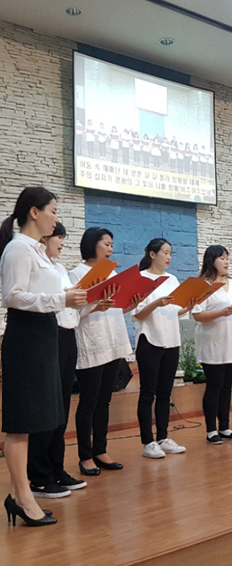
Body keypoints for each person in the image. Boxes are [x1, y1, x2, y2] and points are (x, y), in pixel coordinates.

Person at [0, 187, 86, 526]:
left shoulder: (37, 251)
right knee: (21, 422)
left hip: (43, 336)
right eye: (53, 210)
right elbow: (13, 296)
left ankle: (19, 495)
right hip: (26, 338)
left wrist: (68, 295)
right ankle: (23, 497)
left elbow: (40, 292)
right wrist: (61, 300)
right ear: (34, 212)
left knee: (34, 419)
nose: (56, 218)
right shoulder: (18, 248)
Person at [69, 227, 137, 476]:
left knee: (104, 401)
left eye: (111, 245)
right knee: (88, 402)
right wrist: (95, 306)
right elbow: (71, 313)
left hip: (112, 342)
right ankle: (85, 456)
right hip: (92, 343)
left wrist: (131, 303)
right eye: (106, 244)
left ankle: (100, 450)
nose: (110, 249)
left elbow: (116, 309)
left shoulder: (113, 273)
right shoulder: (76, 274)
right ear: (92, 244)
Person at [27, 223, 87, 499]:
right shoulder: (38, 265)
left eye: (63, 237)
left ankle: (56, 468)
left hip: (67, 336)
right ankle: (39, 477)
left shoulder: (59, 268)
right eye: (58, 236)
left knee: (61, 406)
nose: (62, 242)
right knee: (46, 408)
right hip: (48, 335)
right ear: (44, 238)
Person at [131, 238, 191, 458]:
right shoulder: (140, 278)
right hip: (149, 339)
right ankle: (148, 441)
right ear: (152, 254)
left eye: (170, 253)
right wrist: (156, 303)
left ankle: (163, 437)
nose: (168, 257)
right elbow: (136, 314)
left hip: (171, 339)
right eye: (165, 252)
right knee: (148, 393)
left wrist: (189, 306)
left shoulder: (172, 279)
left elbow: (175, 311)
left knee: (165, 393)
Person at [192, 245, 232, 444]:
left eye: (227, 257)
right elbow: (198, 315)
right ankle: (211, 430)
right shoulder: (203, 284)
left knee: (227, 386)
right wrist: (221, 312)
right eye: (222, 258)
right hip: (212, 341)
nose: (226, 261)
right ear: (211, 260)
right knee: (215, 386)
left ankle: (225, 427)